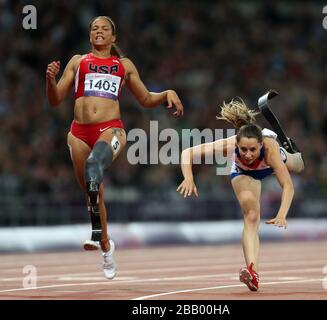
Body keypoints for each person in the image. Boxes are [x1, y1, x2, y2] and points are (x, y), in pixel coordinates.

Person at [46, 16, 184, 280]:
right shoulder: (78, 61)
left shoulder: (123, 65)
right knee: (91, 191)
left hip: (111, 129)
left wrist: (166, 92)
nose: (99, 32)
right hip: (78, 133)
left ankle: (96, 234)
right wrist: (50, 80)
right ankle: (107, 246)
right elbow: (55, 100)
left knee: (94, 165)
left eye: (104, 29)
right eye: (94, 29)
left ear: (113, 37)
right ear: (90, 37)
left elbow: (145, 99)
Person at [176, 97, 304, 291]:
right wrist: (188, 177)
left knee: (298, 164)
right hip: (243, 173)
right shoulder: (230, 145)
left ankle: (292, 149)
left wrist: (281, 214)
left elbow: (288, 186)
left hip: (271, 163)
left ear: (260, 145)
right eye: (243, 149)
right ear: (236, 144)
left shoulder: (270, 149)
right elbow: (187, 153)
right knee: (251, 215)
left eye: (253, 149)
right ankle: (253, 273)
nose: (248, 154)